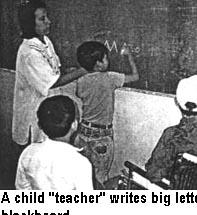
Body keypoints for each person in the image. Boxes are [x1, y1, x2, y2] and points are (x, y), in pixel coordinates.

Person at [12, 0, 85, 149]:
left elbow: (55, 69)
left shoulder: (45, 41)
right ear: (29, 23)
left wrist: (71, 71)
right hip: (34, 111)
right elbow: (53, 81)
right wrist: (84, 70)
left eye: (47, 17)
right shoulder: (29, 52)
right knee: (36, 153)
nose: (48, 22)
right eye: (42, 19)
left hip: (48, 106)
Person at [74, 41, 139, 185]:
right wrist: (129, 56)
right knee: (100, 179)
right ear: (98, 64)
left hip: (82, 132)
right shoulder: (111, 78)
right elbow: (135, 76)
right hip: (101, 137)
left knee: (82, 177)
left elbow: (79, 94)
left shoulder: (80, 80)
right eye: (105, 58)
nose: (108, 61)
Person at [15, 95, 93, 190]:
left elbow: (22, 188)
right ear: (74, 125)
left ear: (40, 125)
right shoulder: (81, 163)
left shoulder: (28, 153)